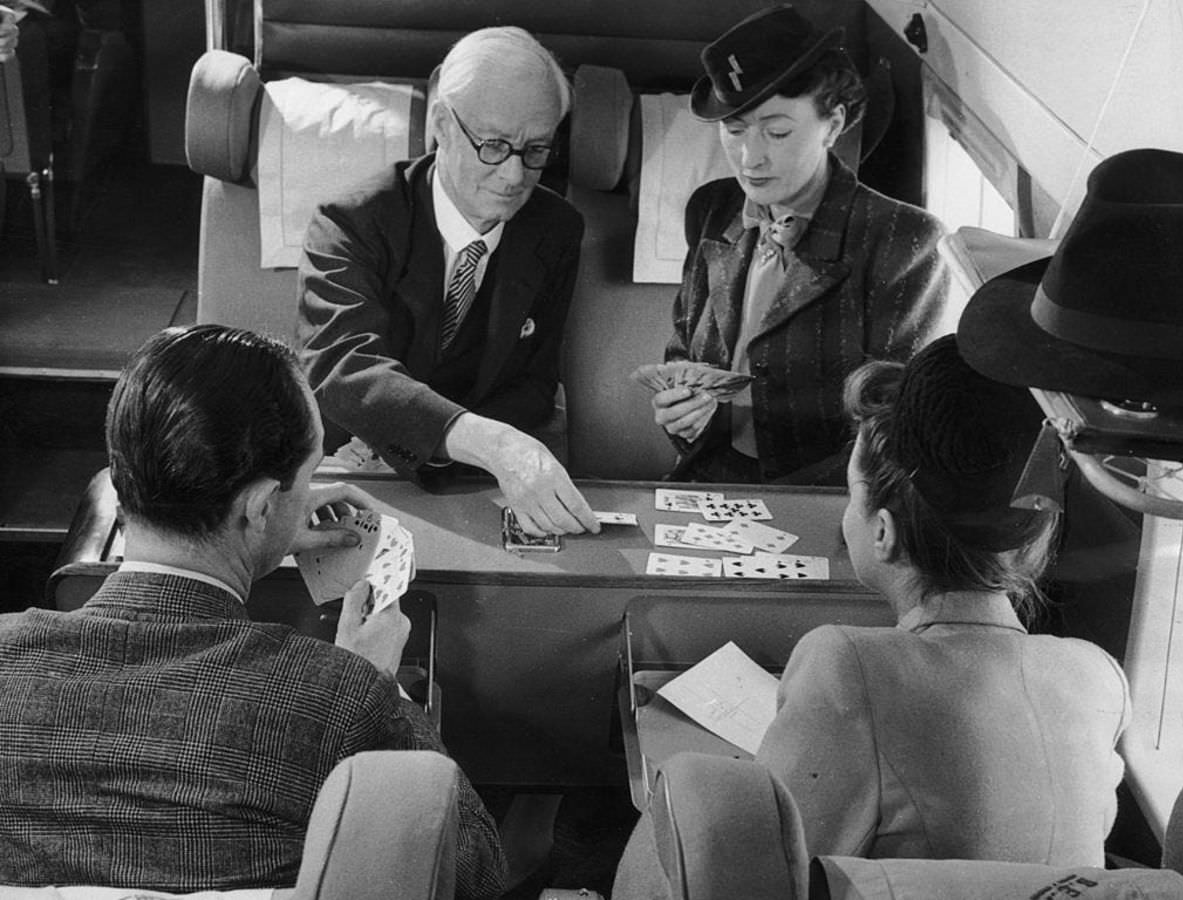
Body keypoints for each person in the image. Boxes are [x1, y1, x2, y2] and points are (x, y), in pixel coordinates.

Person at [0, 325, 506, 899]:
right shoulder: (340, 695)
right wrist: (381, 685)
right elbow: (476, 873)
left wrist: (263, 525)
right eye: (311, 474)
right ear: (262, 502)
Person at [754, 335, 1130, 864]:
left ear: (883, 533)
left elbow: (766, 864)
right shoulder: (1098, 675)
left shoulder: (846, 665)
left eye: (851, 495)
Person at [298, 26, 598, 537]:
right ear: (442, 124)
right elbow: (342, 370)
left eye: (536, 150)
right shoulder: (350, 221)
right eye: (494, 145)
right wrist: (488, 442)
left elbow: (535, 383)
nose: (513, 175)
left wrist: (444, 455)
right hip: (345, 478)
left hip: (471, 482)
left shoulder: (557, 229)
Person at [652, 5, 948, 485]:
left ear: (833, 125)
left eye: (778, 131)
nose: (751, 158)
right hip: (708, 477)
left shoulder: (904, 240)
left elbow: (893, 427)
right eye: (735, 128)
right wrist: (681, 407)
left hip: (832, 498)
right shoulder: (712, 208)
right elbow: (683, 349)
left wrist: (783, 507)